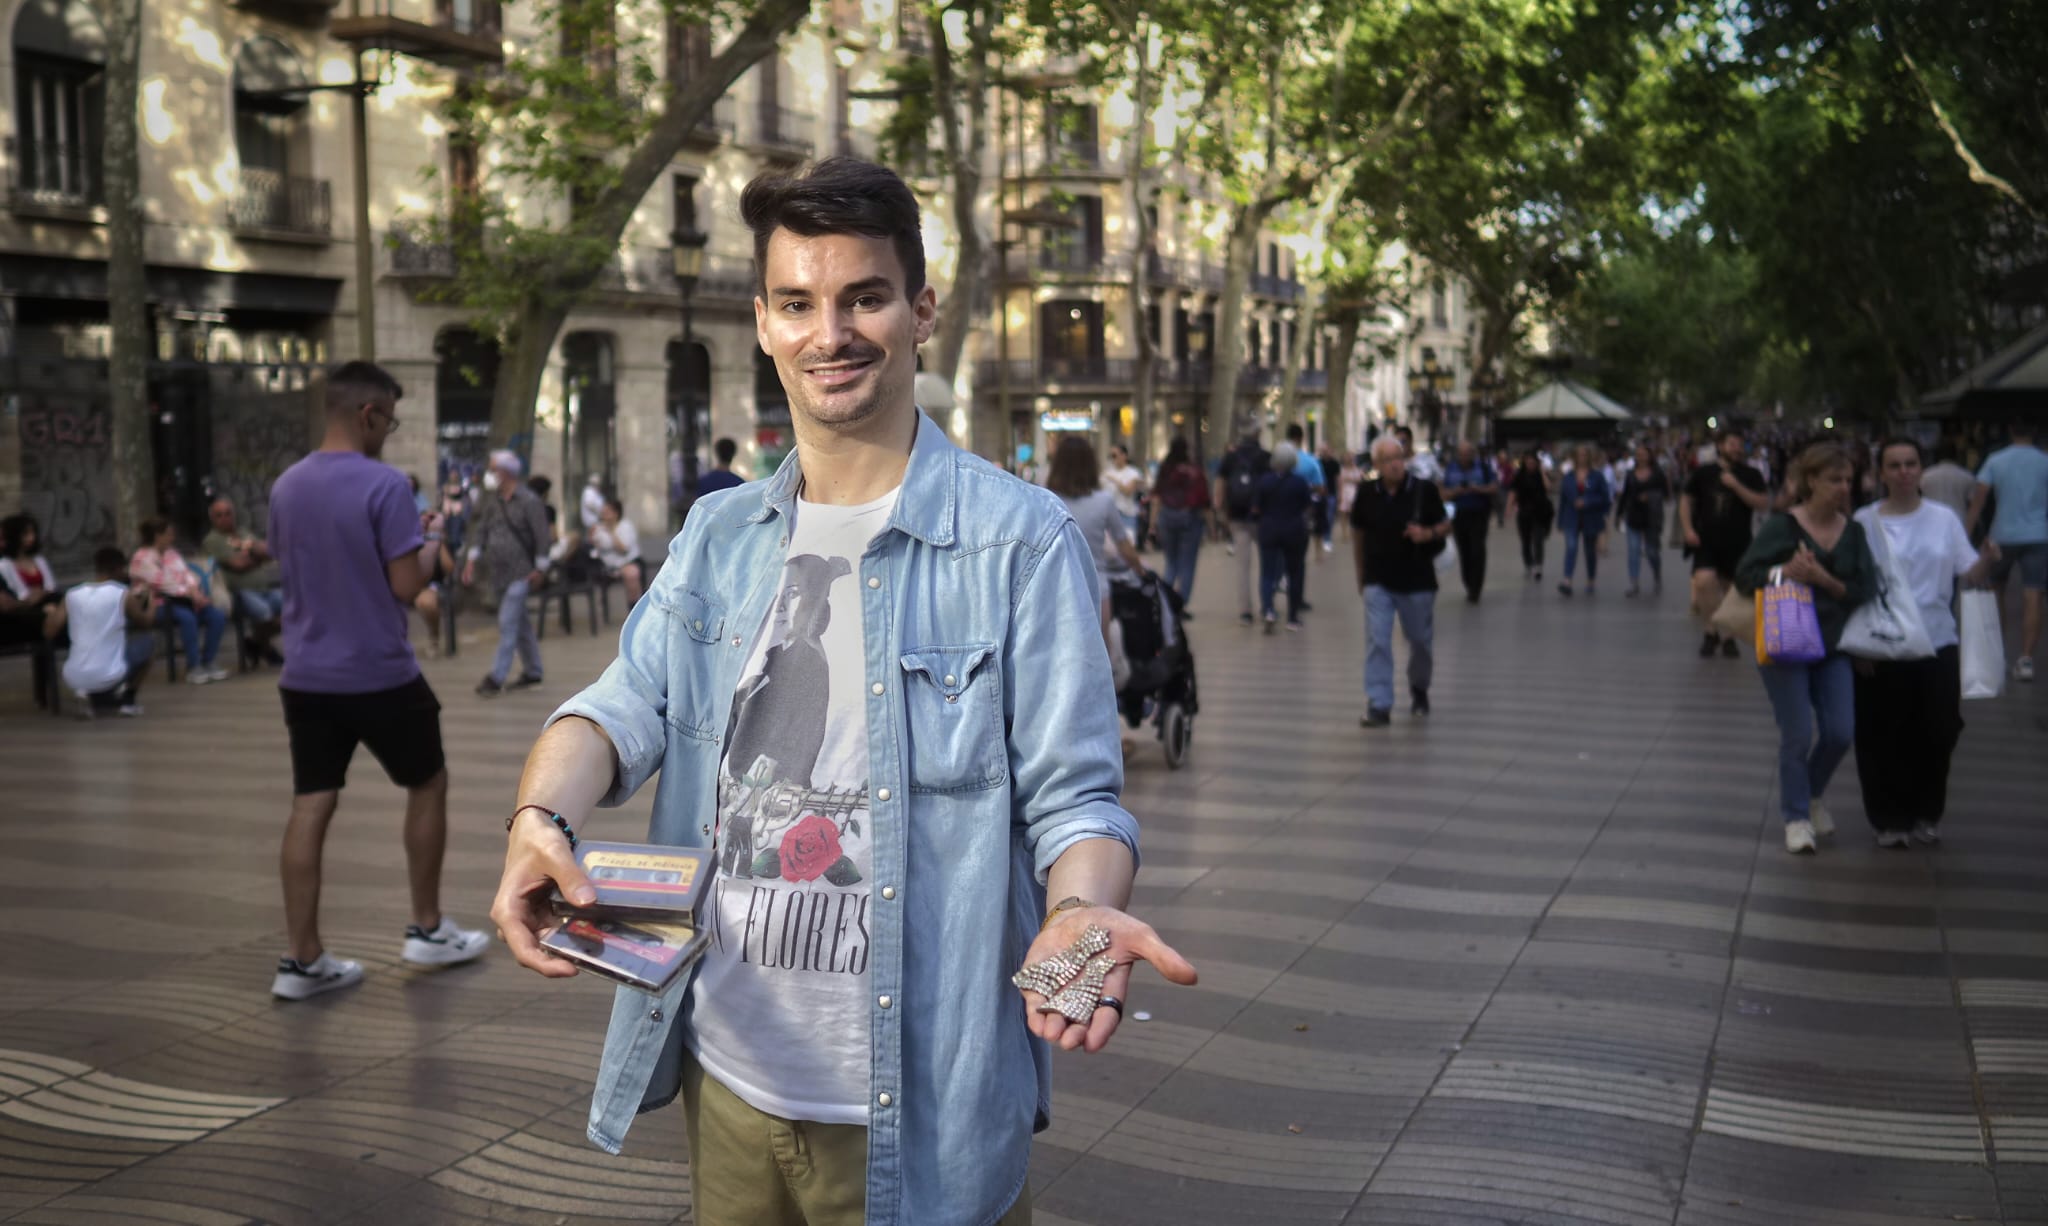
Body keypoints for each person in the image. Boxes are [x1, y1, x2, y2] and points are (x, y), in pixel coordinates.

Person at [486, 156, 1194, 1226]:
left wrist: (1081, 912)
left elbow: (1075, 800)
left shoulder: (1020, 540)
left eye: (863, 296)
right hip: (727, 1073)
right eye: (798, 304)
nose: (832, 333)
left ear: (919, 309)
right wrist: (539, 817)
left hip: (927, 1103)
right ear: (764, 324)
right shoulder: (718, 535)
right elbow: (619, 702)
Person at [267, 360, 489, 999]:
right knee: (428, 783)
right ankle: (425, 925)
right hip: (377, 671)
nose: (389, 432)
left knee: (312, 804)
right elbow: (406, 585)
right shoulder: (384, 484)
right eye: (389, 420)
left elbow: (308, 564)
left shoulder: (286, 486)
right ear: (368, 414)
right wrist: (426, 543)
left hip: (305, 674)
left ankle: (302, 960)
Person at [1853, 438, 1998, 849]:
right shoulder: (1863, 521)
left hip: (1937, 639)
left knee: (1939, 728)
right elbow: (1855, 584)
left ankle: (1927, 810)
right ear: (1881, 473)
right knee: (1883, 733)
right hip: (1881, 644)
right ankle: (1888, 817)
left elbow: (1969, 572)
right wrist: (1857, 649)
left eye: (1911, 464)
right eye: (1894, 465)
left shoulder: (1943, 519)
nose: (1903, 472)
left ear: (1922, 469)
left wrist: (1988, 558)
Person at [1735, 442, 1879, 855]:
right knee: (1797, 733)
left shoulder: (1853, 532)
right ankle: (1796, 816)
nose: (1844, 488)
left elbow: (1865, 589)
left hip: (1834, 645)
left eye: (1849, 480)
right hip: (1787, 641)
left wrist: (1824, 580)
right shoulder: (1783, 527)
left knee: (1839, 731)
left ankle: (1813, 792)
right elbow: (1746, 574)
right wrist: (1785, 570)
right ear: (1811, 481)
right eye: (1835, 480)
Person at [1350, 436, 1448, 726]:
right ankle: (1379, 703)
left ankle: (1419, 689)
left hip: (1417, 580)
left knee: (1420, 641)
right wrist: (1361, 576)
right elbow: (1358, 534)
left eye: (1398, 457)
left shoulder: (1423, 490)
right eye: (1388, 459)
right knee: (1377, 640)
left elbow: (1445, 525)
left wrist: (1427, 534)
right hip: (1378, 580)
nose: (1395, 464)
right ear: (1377, 464)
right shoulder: (1367, 492)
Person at [463, 450, 551, 697]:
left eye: (493, 469)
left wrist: (541, 568)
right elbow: (481, 531)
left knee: (507, 622)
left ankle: (496, 677)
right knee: (520, 623)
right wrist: (472, 559)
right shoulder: (495, 502)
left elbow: (542, 535)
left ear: (505, 472)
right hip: (498, 573)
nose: (489, 474)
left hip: (522, 572)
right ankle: (534, 671)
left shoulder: (529, 500)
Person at [1048, 435, 1147, 648]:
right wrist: (1140, 570)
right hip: (1096, 591)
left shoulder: (1046, 499)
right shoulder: (1103, 502)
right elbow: (1124, 546)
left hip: (1053, 593)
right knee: (1099, 660)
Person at [1966, 421, 2048, 681]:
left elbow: (1978, 500)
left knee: (1995, 591)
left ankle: (1997, 653)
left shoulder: (1995, 460)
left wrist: (1964, 535)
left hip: (2002, 534)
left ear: (2010, 431)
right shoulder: (2044, 461)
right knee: (2033, 594)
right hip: (2039, 534)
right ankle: (2025, 659)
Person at [1682, 429, 1772, 657]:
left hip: (1738, 541)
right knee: (1703, 582)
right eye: (1732, 443)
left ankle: (1728, 636)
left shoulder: (1750, 474)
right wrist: (1688, 529)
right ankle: (1711, 630)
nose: (1737, 448)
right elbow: (1686, 499)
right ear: (1720, 446)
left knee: (1731, 589)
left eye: (1740, 444)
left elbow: (1762, 503)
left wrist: (1736, 486)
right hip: (1706, 539)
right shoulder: (1704, 472)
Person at [46, 546, 155, 716]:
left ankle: (88, 695)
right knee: (148, 643)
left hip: (73, 676)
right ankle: (127, 701)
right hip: (110, 673)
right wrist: (153, 602)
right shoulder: (123, 594)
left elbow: (49, 632)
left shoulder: (72, 594)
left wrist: (52, 613)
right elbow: (145, 622)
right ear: (119, 568)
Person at [131, 518, 230, 683]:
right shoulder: (142, 558)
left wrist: (194, 590)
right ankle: (194, 666)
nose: (172, 538)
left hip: (186, 599)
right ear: (157, 536)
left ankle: (208, 661)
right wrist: (192, 594)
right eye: (168, 534)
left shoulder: (171, 553)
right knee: (187, 618)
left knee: (216, 616)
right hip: (159, 604)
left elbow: (187, 574)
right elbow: (162, 583)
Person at [202, 497, 287, 664]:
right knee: (264, 613)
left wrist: (253, 556)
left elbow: (269, 551)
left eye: (228, 513)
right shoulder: (212, 541)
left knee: (294, 608)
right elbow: (238, 564)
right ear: (212, 518)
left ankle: (255, 643)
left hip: (264, 589)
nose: (225, 518)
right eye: (219, 515)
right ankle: (264, 648)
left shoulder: (243, 532)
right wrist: (257, 557)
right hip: (240, 593)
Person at [1254, 441, 1313, 632]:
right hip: (1293, 531)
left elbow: (1256, 508)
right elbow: (1307, 506)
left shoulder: (1264, 481)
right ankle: (1293, 617)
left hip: (1269, 530)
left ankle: (1269, 609)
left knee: (1267, 573)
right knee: (1294, 573)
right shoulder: (1299, 482)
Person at [1214, 427, 1271, 625]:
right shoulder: (1265, 457)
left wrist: (1219, 510)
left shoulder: (1231, 458)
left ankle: (1245, 611)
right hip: (1262, 517)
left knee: (1242, 565)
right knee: (1268, 563)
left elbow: (1220, 484)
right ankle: (1267, 605)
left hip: (1236, 516)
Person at [1150, 435, 1208, 608]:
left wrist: (1152, 525)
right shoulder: (1195, 471)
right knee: (1188, 563)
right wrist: (1211, 527)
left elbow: (1157, 497)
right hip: (1190, 519)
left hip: (1167, 518)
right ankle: (1181, 603)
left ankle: (1167, 602)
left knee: (1171, 561)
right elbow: (1205, 500)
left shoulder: (1165, 469)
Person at [1441, 440, 1498, 603]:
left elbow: (1494, 487)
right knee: (1464, 549)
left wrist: (1478, 489)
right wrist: (1456, 491)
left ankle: (1476, 587)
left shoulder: (1484, 468)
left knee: (1477, 549)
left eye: (1468, 453)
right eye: (1462, 453)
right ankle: (1468, 582)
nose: (1465, 457)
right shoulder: (1451, 469)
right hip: (1459, 514)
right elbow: (1444, 493)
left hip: (1479, 513)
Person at [1555, 444, 1611, 597]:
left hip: (1590, 517)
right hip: (1571, 517)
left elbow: (1604, 498)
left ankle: (1591, 579)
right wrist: (1560, 522)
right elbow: (1563, 500)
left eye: (1585, 454)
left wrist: (1588, 501)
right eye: (1579, 454)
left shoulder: (1597, 476)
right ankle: (1567, 580)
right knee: (1571, 547)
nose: (1582, 457)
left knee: (1589, 551)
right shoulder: (1569, 477)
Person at [1615, 443, 1671, 598]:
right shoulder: (1631, 474)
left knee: (1651, 551)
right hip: (1633, 515)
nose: (1641, 457)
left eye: (1644, 454)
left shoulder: (1657, 473)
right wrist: (1619, 514)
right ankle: (1634, 583)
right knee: (1633, 550)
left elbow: (1666, 494)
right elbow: (1625, 495)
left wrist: (1651, 496)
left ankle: (1656, 574)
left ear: (1649, 456)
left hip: (1652, 517)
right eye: (1638, 454)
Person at [0, 512, 60, 648]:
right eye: (26, 534)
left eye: (33, 533)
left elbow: (50, 587)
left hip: (47, 599)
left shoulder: (39, 560)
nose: (31, 538)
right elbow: (20, 594)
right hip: (26, 606)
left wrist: (42, 594)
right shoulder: (5, 565)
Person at [590, 495, 645, 605]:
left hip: (630, 561)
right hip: (608, 566)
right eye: (603, 512)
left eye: (607, 512)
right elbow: (596, 546)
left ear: (616, 513)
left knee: (632, 573)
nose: (604, 516)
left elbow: (623, 549)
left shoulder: (625, 526)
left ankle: (635, 606)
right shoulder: (599, 529)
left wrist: (611, 533)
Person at [1507, 452, 1553, 580]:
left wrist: (1543, 472)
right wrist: (1509, 507)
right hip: (1524, 512)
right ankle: (1529, 563)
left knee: (1538, 540)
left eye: (1533, 462)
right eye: (1528, 462)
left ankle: (1538, 565)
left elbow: (1548, 488)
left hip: (1540, 512)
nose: (1530, 465)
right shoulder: (1520, 476)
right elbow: (1513, 491)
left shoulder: (1541, 475)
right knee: (1525, 540)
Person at [1919, 440, 1976, 522]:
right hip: (1959, 519)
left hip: (1931, 519)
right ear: (1956, 455)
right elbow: (1973, 503)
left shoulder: (1925, 476)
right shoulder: (1967, 476)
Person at [1100, 444, 1145, 544]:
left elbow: (1128, 491)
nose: (1113, 459)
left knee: (1128, 544)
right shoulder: (1106, 473)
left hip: (1127, 514)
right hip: (1110, 516)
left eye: (1115, 455)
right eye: (1111, 456)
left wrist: (1114, 480)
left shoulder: (1133, 473)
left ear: (1124, 456)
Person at [1318, 444, 1343, 551]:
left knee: (1330, 516)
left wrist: (1340, 493)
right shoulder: (1318, 463)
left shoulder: (1335, 464)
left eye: (1326, 450)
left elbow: (1338, 479)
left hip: (1331, 493)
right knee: (1322, 516)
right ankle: (1324, 537)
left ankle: (1327, 537)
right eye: (1323, 450)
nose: (1325, 452)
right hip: (1320, 494)